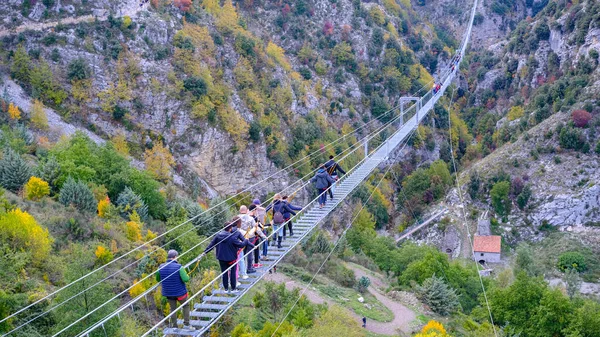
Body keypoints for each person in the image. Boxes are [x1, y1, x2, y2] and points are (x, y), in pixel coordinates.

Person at [201, 220, 253, 293]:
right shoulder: (231, 237)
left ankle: (225, 289)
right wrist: (246, 240)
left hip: (221, 258)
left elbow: (211, 245)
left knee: (224, 272)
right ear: (230, 228)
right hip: (231, 258)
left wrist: (205, 252)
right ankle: (233, 289)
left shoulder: (218, 236)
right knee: (232, 273)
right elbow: (241, 245)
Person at [156, 250, 193, 330]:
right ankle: (186, 324)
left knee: (173, 309)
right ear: (175, 257)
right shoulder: (179, 267)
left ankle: (174, 326)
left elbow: (158, 279)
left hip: (168, 293)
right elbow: (186, 279)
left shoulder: (160, 267)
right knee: (185, 306)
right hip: (180, 293)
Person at [238, 205, 267, 272]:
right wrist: (263, 236)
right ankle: (249, 268)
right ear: (246, 210)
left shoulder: (237, 218)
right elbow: (257, 229)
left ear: (240, 211)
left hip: (240, 237)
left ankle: (241, 269)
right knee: (250, 253)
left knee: (242, 253)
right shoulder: (250, 219)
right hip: (250, 237)